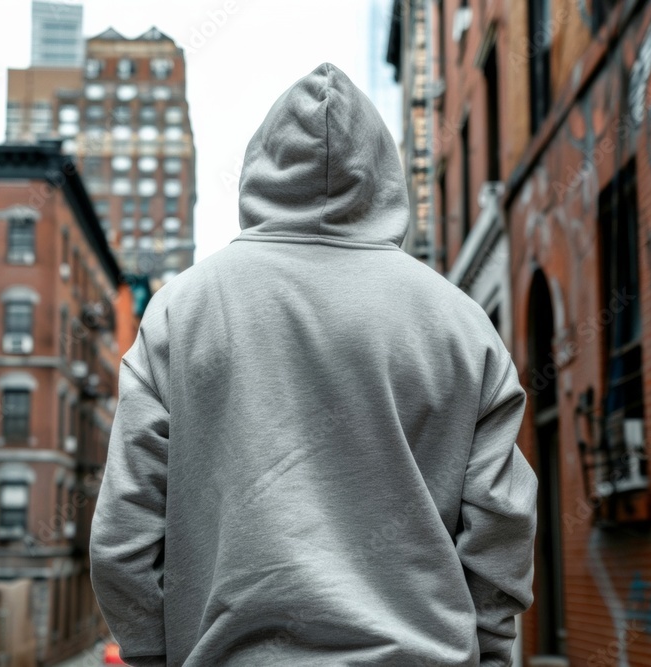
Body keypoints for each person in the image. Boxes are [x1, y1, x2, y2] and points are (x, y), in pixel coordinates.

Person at [90, 62, 537, 667]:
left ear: (261, 167)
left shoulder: (180, 312)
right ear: (384, 173)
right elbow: (501, 529)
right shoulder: (460, 324)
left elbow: (123, 538)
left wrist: (152, 656)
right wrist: (488, 654)